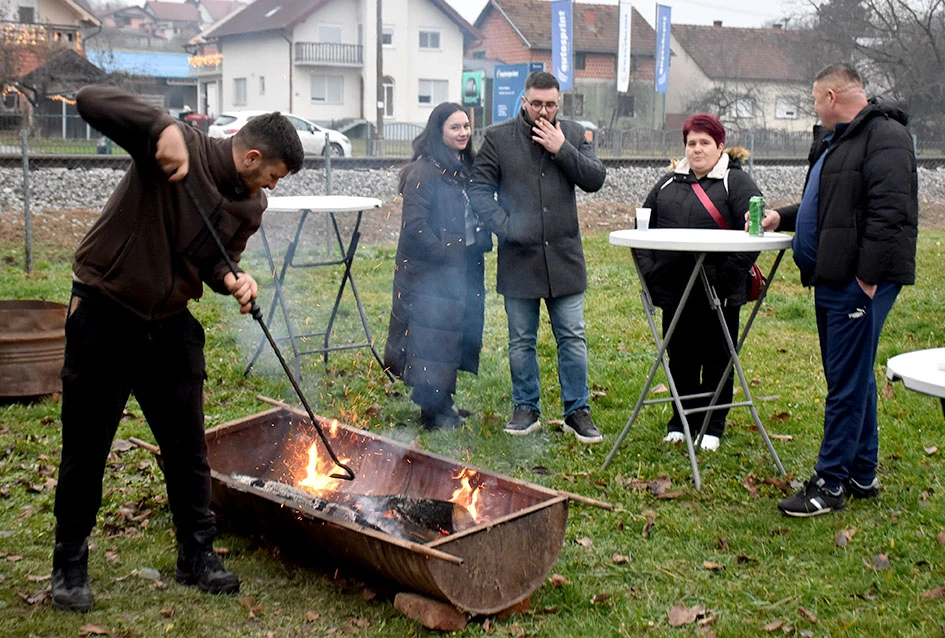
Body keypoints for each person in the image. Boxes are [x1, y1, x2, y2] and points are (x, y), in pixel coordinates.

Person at [51, 84, 304, 611]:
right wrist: (159, 128)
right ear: (252, 156)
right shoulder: (177, 145)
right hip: (106, 309)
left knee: (188, 446)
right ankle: (70, 563)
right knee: (87, 444)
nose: (271, 189)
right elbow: (91, 98)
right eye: (273, 176)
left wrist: (234, 277)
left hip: (169, 323)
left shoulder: (249, 204)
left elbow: (214, 258)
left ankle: (196, 554)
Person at [760, 63, 918, 517]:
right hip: (833, 276)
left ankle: (829, 485)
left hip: (856, 282)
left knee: (845, 383)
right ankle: (861, 472)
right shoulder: (841, 138)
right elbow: (831, 202)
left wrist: (866, 281)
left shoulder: (884, 136)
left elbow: (891, 213)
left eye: (813, 99)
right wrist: (785, 217)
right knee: (851, 374)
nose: (812, 107)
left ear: (831, 96)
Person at [469, 71, 606, 444]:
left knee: (572, 338)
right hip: (519, 259)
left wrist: (562, 148)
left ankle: (577, 411)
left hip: (564, 257)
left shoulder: (575, 134)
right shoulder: (498, 138)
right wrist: (507, 226)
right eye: (536, 104)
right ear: (524, 102)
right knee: (521, 340)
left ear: (558, 103)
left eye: (550, 104)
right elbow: (479, 190)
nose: (543, 111)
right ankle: (525, 406)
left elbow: (595, 179)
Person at [636, 114, 762, 452]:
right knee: (680, 357)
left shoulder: (737, 184)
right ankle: (680, 421)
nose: (697, 149)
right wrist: (651, 274)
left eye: (705, 142)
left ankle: (712, 426)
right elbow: (641, 229)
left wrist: (724, 280)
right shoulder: (666, 184)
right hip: (675, 291)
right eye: (692, 143)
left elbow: (752, 237)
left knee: (718, 359)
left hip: (720, 294)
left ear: (720, 146)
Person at [384, 103, 492, 430]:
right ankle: (433, 411)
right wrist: (446, 253)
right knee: (431, 338)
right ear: (439, 131)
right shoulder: (425, 172)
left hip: (464, 267)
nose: (463, 133)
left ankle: (443, 401)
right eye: (455, 128)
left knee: (452, 335)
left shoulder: (463, 167)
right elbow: (415, 227)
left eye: (466, 127)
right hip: (433, 272)